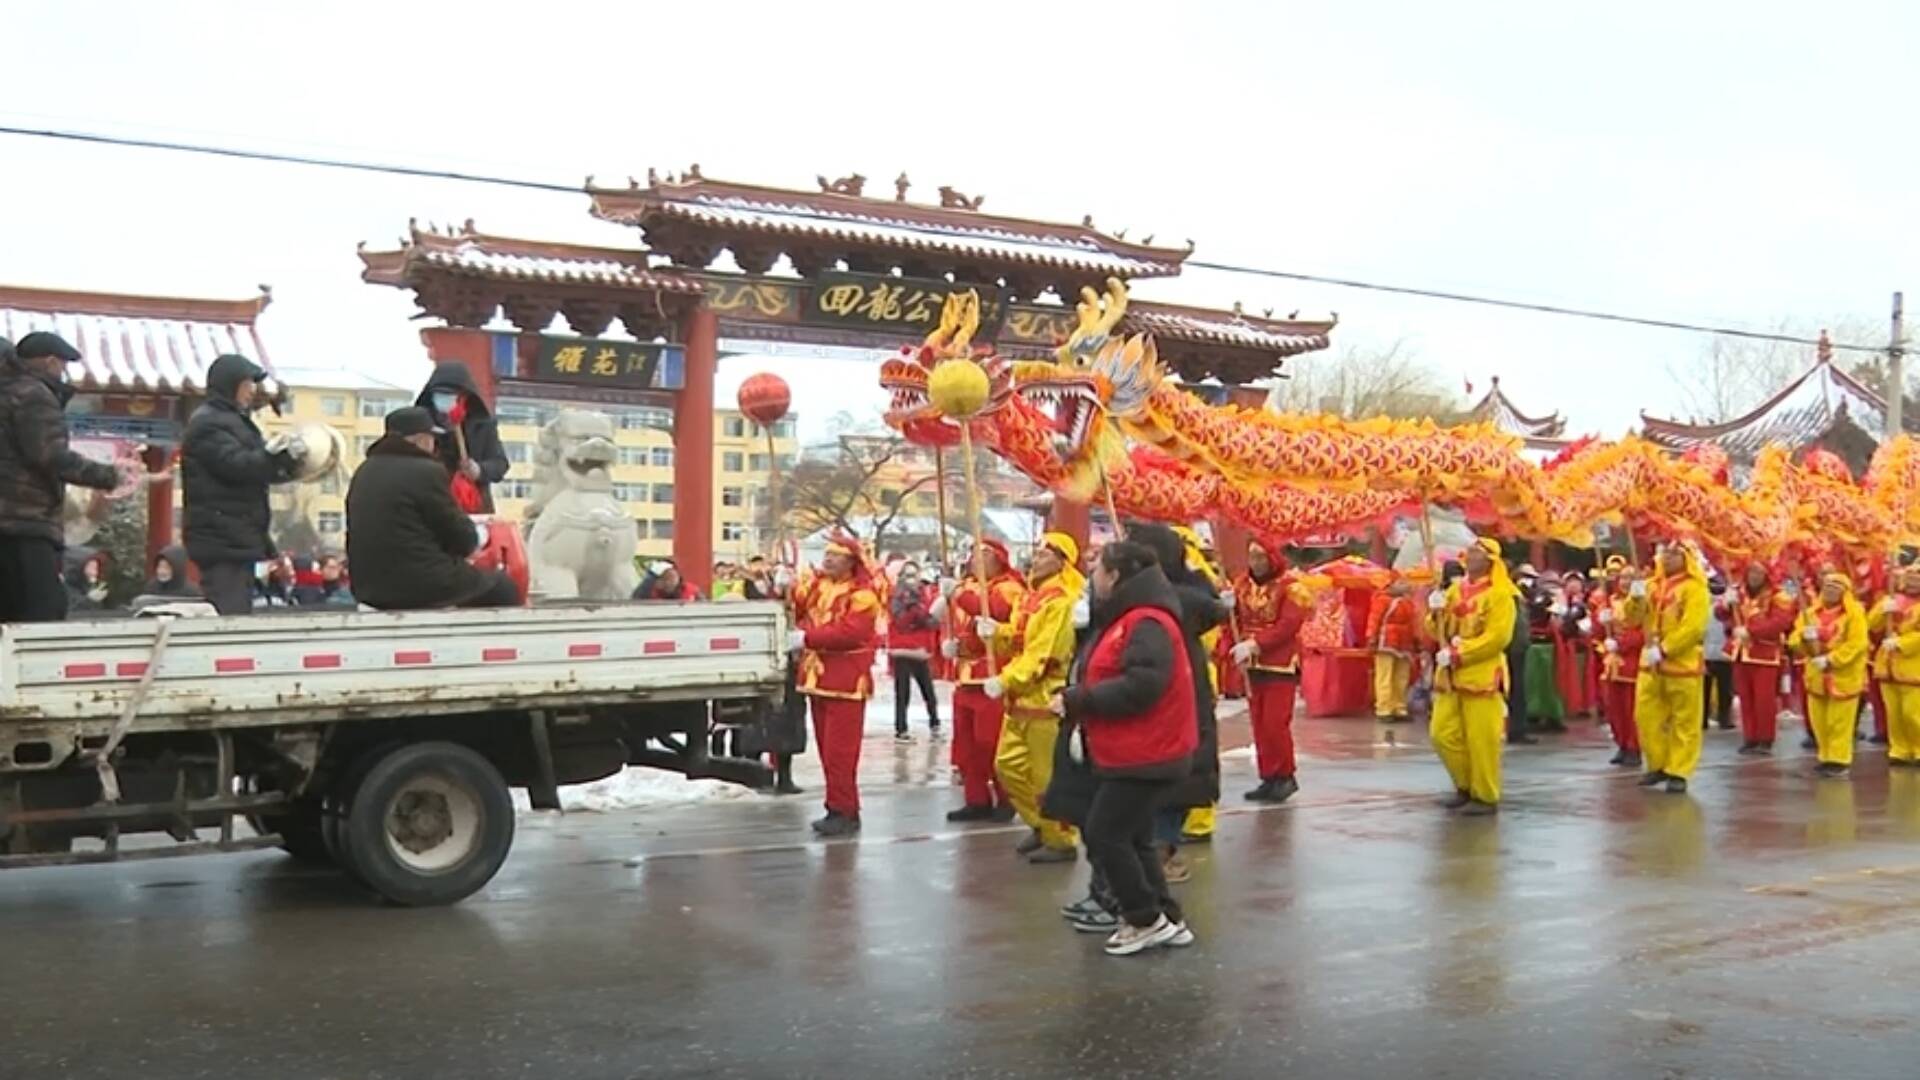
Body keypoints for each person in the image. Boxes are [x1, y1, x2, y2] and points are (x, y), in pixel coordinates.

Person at [1054, 540, 1198, 956]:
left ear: (1116, 576)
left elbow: (1143, 685)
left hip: (1147, 750)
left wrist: (1079, 699)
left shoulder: (1146, 620)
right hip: (1134, 749)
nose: (1091, 576)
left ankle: (1142, 917)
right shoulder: (1129, 617)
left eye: (1097, 568)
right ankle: (1166, 916)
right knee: (1133, 837)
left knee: (1105, 834)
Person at [345, 407, 521, 610]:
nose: (434, 445)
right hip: (422, 584)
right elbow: (462, 539)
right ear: (421, 440)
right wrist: (478, 535)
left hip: (369, 589)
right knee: (502, 588)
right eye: (432, 438)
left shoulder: (364, 471)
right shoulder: (427, 471)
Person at [0, 331, 123, 622]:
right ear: (51, 362)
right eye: (63, 366)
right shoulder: (32, 395)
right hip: (25, 525)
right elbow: (50, 455)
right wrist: (107, 475)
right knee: (41, 616)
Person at [1127, 523, 1225, 881]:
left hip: (1164, 691)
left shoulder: (1159, 598)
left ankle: (1159, 849)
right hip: (1172, 690)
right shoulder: (1190, 594)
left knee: (1170, 775)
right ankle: (1158, 847)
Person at [982, 532, 1083, 863]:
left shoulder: (1062, 602)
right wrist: (995, 632)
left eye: (1044, 553)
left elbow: (1043, 653)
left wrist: (1006, 678)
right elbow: (1019, 640)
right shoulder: (1030, 597)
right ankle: (1041, 824)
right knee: (1007, 766)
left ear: (1060, 561)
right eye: (1036, 552)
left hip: (1044, 697)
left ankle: (1061, 839)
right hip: (1019, 699)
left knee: (1045, 776)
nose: (1036, 558)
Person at [182, 354, 300, 615]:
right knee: (227, 621)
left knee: (236, 615)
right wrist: (275, 457)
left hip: (235, 537)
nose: (251, 392)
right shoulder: (209, 423)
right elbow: (237, 465)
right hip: (221, 539)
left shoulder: (233, 421)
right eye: (247, 385)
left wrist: (287, 463)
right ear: (230, 384)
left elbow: (256, 466)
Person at [790, 533, 882, 836]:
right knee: (827, 752)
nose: (827, 559)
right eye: (826, 554)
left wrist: (808, 638)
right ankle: (837, 806)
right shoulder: (820, 586)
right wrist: (786, 585)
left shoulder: (863, 595)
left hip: (845, 681)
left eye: (835, 555)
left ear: (851, 562)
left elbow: (849, 634)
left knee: (841, 753)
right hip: (818, 678)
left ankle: (844, 810)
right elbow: (799, 609)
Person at [1427, 538, 1518, 815]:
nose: (1471, 555)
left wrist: (1460, 653)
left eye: (1478, 552)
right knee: (1442, 734)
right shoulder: (1455, 590)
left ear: (1490, 560)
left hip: (1482, 674)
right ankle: (1464, 785)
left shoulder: (1501, 594)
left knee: (1482, 740)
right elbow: (1437, 631)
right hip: (1451, 676)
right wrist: (1435, 612)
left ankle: (1485, 795)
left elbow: (1497, 637)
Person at [938, 539, 1024, 822]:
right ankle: (976, 799)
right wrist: (955, 646)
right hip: (966, 676)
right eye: (973, 553)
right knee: (966, 745)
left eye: (984, 553)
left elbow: (993, 611)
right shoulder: (968, 587)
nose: (976, 558)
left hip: (994, 674)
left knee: (992, 742)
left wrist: (959, 593)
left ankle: (1006, 798)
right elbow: (960, 624)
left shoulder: (1009, 587)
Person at [1625, 543, 1711, 794]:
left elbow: (1693, 626)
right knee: (1646, 716)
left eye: (1675, 554)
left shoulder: (1695, 589)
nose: (1668, 558)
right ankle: (1657, 764)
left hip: (1682, 663)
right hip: (1650, 664)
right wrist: (1635, 598)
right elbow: (1633, 619)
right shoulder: (1650, 584)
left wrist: (1666, 648)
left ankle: (1679, 770)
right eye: (1666, 553)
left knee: (1685, 720)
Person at [1231, 536, 1308, 801]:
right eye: (1252, 556)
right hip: (1251, 663)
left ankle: (1285, 775)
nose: (1256, 562)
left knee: (1276, 724)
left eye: (1261, 556)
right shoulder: (1241, 585)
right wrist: (1224, 607)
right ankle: (1268, 776)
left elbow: (1289, 625)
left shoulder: (1292, 587)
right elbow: (1234, 620)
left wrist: (1257, 643)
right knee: (1259, 725)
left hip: (1280, 664)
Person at [1794, 570, 1868, 778]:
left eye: (1836, 588)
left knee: (1839, 722)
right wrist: (1803, 638)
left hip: (1843, 677)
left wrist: (1832, 659)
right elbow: (1793, 640)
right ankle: (1825, 757)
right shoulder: (1809, 614)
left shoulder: (1855, 614)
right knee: (1819, 721)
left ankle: (1839, 760)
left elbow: (1857, 644)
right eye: (1827, 587)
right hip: (1816, 675)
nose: (1831, 591)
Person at [417, 361, 510, 513]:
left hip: (471, 506)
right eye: (440, 394)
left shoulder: (483, 425)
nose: (444, 400)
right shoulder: (419, 425)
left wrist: (479, 470)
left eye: (450, 395)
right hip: (430, 505)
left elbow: (500, 463)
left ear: (464, 397)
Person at [1730, 561, 1795, 755]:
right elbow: (1722, 615)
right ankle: (1750, 737)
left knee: (1764, 699)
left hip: (1765, 654)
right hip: (1741, 653)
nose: (1754, 576)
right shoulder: (1738, 593)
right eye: (1751, 571)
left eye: (1759, 572)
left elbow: (1780, 622)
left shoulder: (1779, 596)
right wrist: (1725, 604)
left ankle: (1765, 738)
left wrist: (1750, 630)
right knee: (1745, 698)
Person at [886, 561, 942, 741]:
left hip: (918, 648)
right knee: (903, 692)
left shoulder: (922, 596)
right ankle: (901, 728)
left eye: (914, 574)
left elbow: (930, 622)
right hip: (902, 649)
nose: (911, 579)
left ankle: (935, 722)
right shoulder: (896, 597)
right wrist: (915, 611)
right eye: (907, 575)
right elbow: (901, 622)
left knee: (928, 689)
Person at [1598, 564, 1645, 767]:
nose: (1625, 582)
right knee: (1614, 708)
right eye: (1623, 578)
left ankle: (1634, 746)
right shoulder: (1611, 601)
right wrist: (1600, 622)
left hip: (1633, 660)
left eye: (1630, 578)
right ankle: (1622, 744)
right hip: (1612, 662)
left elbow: (1645, 631)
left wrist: (1622, 644)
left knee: (1631, 708)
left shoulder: (1642, 603)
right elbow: (1598, 633)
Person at [1874, 565, 1920, 766]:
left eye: (1918, 579)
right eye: (1910, 578)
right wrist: (1882, 611)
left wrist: (1901, 643)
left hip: (1914, 665)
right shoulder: (1892, 599)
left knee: (1913, 712)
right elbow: (1872, 625)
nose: (1913, 582)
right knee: (1894, 712)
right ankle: (1899, 749)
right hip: (1888, 665)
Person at [1365, 578, 1417, 722]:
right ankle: (1384, 708)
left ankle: (1399, 706)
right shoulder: (1382, 600)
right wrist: (1371, 637)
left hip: (1405, 642)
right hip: (1386, 640)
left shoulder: (1408, 602)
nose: (1406, 585)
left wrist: (1416, 639)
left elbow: (1413, 622)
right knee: (1385, 675)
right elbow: (1374, 619)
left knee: (1402, 676)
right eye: (1401, 582)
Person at [1703, 578, 1736, 731]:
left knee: (1725, 689)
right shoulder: (1701, 601)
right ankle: (1702, 718)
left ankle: (1724, 717)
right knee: (1704, 690)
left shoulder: (1729, 603)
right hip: (1705, 652)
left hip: (1724, 651)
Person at [63, 550, 113, 614]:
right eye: (93, 566)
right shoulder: (69, 578)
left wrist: (92, 599)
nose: (92, 572)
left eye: (97, 570)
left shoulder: (95, 589)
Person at [635, 561, 699, 601]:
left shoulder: (691, 590)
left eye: (673, 577)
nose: (669, 582)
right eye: (665, 578)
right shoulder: (646, 591)